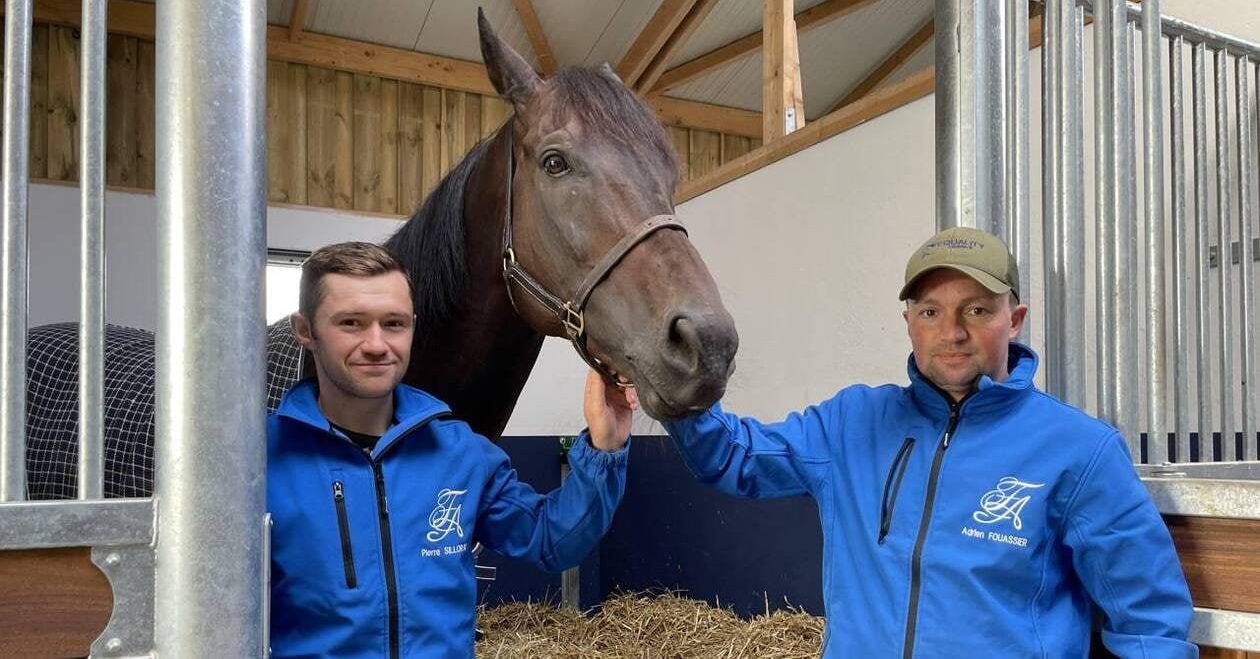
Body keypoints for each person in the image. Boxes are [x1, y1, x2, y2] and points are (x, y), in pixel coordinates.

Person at [621, 226, 1195, 657]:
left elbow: (1149, 618)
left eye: (976, 309)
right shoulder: (852, 423)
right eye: (931, 311)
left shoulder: (1081, 450)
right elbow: (732, 458)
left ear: (1014, 319)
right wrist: (670, 386)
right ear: (909, 323)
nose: (952, 331)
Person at [267, 241, 633, 658]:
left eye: (394, 323)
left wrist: (606, 444)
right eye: (350, 323)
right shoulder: (262, 462)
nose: (376, 344)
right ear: (304, 330)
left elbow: (552, 539)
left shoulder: (459, 451)